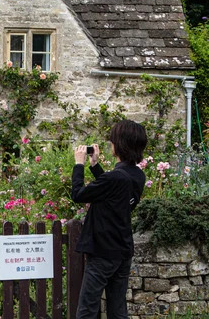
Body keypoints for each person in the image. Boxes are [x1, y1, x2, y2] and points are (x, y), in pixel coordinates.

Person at [71, 119, 147, 319]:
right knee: (117, 311)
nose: (110, 144)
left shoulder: (115, 178)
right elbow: (114, 190)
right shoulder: (137, 176)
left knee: (87, 310)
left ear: (120, 144)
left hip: (103, 252)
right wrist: (95, 166)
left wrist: (79, 165)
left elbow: (78, 194)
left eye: (113, 140)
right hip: (122, 251)